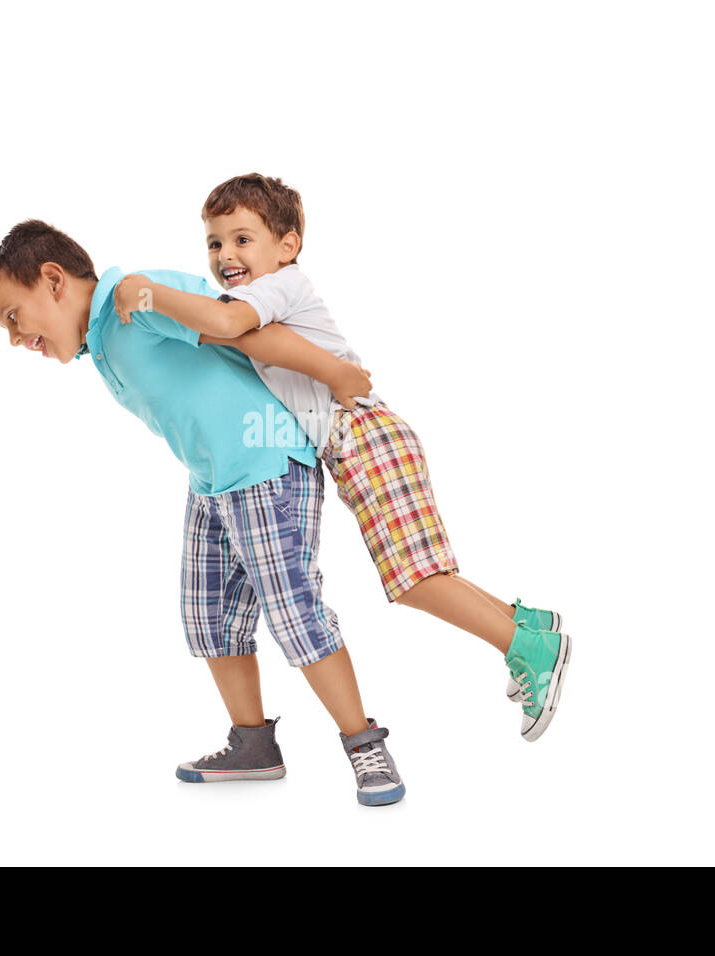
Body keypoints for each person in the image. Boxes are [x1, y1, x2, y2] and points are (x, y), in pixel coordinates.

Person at [113, 174, 572, 740]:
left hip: (363, 433)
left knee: (413, 580)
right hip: (350, 444)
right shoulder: (259, 295)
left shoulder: (276, 287)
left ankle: (526, 646)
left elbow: (227, 322)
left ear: (287, 246)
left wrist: (149, 293)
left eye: (241, 239)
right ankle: (524, 623)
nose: (225, 255)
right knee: (423, 571)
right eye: (214, 243)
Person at [0, 220, 406, 806]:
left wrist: (334, 374)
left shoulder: (135, 301)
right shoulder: (101, 343)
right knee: (208, 615)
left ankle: (363, 743)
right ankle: (253, 743)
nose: (16, 338)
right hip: (213, 483)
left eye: (13, 317)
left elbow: (246, 334)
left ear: (53, 280)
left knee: (294, 613)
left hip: (267, 464)